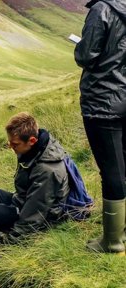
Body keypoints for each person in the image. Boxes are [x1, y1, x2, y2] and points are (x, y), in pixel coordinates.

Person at [0, 112, 70, 250]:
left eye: (15, 144)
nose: (11, 147)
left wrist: (9, 246)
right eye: (9, 142)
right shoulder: (35, 148)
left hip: (42, 219)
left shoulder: (47, 170)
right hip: (24, 202)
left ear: (31, 141)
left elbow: (33, 216)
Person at [74, 0, 126, 255]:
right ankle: (123, 232)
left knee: (112, 172)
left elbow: (86, 56)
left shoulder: (101, 10)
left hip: (102, 103)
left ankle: (112, 242)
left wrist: (79, 46)